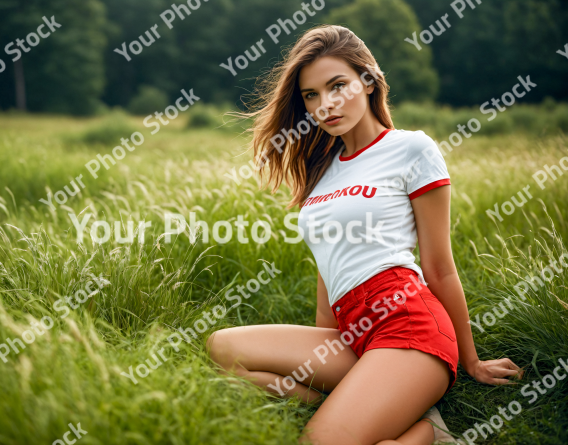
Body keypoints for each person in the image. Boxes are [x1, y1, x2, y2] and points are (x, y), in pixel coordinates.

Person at [206, 25, 523, 445]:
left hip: (408, 324)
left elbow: (439, 267)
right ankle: (374, 409)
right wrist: (323, 347)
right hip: (353, 332)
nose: (326, 104)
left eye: (337, 85)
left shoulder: (411, 149)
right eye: (311, 95)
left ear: (368, 81)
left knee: (320, 442)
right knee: (223, 348)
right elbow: (327, 265)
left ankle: (423, 432)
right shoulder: (320, 171)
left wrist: (472, 360)